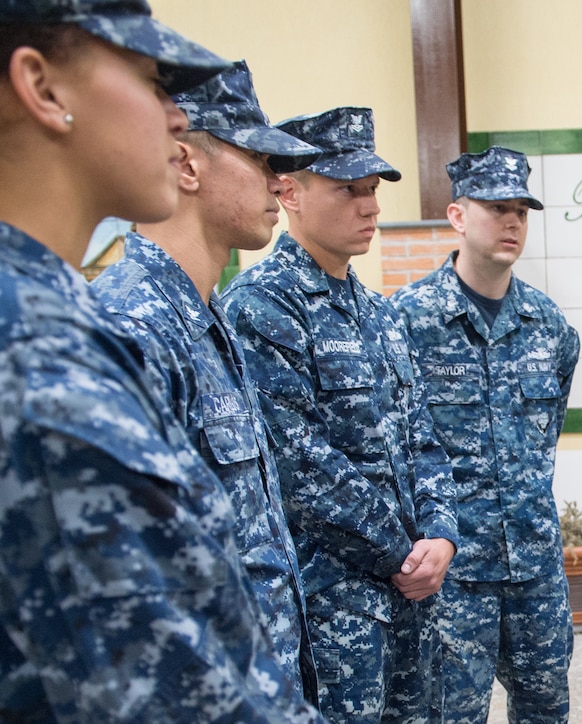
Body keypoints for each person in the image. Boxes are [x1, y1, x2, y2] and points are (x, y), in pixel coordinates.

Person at [0, 1, 321, 721]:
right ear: (43, 88)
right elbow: (156, 685)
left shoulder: (66, 317)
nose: (176, 119)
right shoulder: (38, 353)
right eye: (150, 82)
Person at [91, 59, 322, 704]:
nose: (280, 186)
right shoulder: (135, 327)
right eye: (261, 161)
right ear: (189, 165)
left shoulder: (207, 316)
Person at [221, 106, 459, 723]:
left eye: (372, 190)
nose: (369, 207)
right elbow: (300, 465)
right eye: (347, 190)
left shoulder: (378, 312)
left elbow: (424, 438)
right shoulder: (260, 307)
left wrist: (441, 535)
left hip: (413, 594)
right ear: (290, 192)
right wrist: (406, 552)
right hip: (336, 605)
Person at [391, 146, 580, 723]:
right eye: (497, 208)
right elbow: (394, 448)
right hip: (453, 574)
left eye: (521, 211)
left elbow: (542, 445)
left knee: (546, 711)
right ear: (457, 216)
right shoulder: (406, 320)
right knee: (450, 715)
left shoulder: (548, 326)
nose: (512, 223)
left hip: (536, 570)